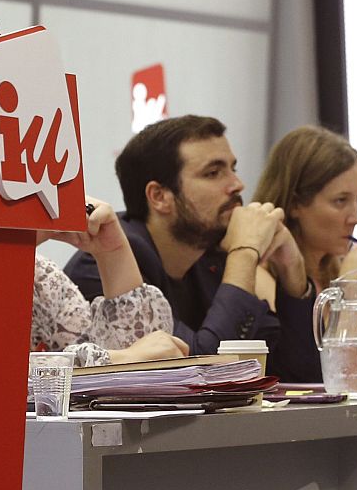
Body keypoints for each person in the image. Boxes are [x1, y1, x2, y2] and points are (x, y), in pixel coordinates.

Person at [65, 115, 303, 356]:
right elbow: (197, 368)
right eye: (213, 173)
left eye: (233, 169)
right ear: (159, 196)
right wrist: (245, 251)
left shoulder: (208, 255)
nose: (237, 184)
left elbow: (292, 371)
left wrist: (292, 268)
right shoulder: (104, 261)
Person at [251, 126, 357, 382]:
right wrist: (351, 276)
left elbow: (353, 370)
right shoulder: (262, 275)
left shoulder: (332, 267)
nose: (356, 217)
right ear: (296, 203)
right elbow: (312, 370)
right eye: (340, 201)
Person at [34, 197, 189, 365]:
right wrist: (125, 358)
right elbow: (6, 377)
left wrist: (111, 252)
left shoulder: (43, 278)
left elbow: (155, 354)